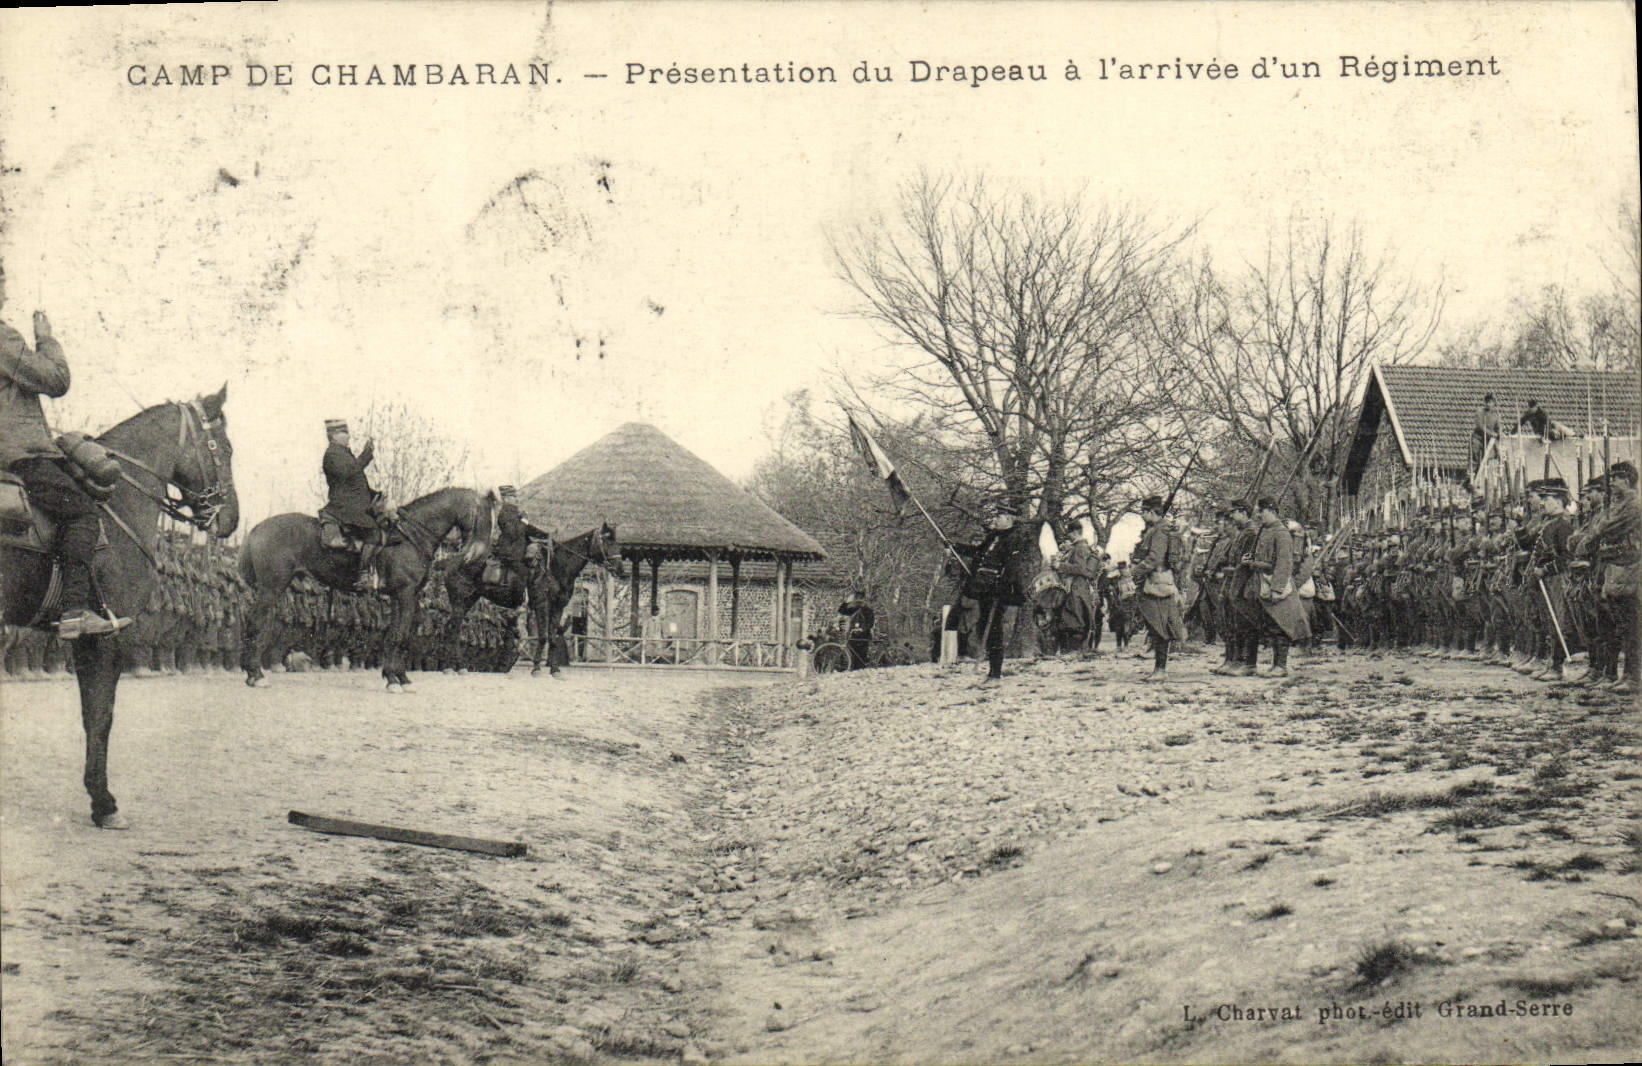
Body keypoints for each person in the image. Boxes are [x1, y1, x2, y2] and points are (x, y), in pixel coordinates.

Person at [0, 269, 131, 638]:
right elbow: (56, 380)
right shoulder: (3, 336)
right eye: (3, 285)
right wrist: (46, 339)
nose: (5, 294)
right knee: (83, 514)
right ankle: (74, 611)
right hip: (18, 454)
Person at [319, 419, 392, 589]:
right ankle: (363, 574)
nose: (348, 436)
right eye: (344, 433)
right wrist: (366, 454)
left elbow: (357, 481)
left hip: (353, 505)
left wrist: (375, 495)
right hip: (343, 506)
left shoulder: (343, 453)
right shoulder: (332, 454)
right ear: (333, 436)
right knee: (373, 532)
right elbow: (350, 473)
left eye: (347, 432)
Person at [1126, 495, 1188, 681]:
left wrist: (1134, 572)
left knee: (1159, 626)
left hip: (1157, 582)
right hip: (1155, 581)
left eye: (1144, 512)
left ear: (1151, 512)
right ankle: (1159, 668)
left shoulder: (1160, 531)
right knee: (1156, 626)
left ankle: (1161, 670)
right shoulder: (1158, 529)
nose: (1143, 517)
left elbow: (1155, 559)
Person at [973, 504, 1026, 684]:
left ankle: (995, 673)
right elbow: (977, 552)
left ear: (1009, 520)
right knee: (983, 626)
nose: (995, 520)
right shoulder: (993, 537)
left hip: (1000, 591)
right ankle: (990, 670)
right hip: (985, 588)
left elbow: (1012, 568)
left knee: (994, 629)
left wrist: (1001, 588)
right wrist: (954, 546)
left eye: (999, 517)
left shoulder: (1013, 539)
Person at [838, 587, 875, 670]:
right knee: (852, 655)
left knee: (861, 656)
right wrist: (847, 601)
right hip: (853, 635)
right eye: (857, 597)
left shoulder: (868, 609)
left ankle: (861, 671)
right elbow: (841, 610)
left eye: (860, 598)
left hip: (864, 635)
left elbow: (870, 622)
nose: (859, 600)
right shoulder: (853, 609)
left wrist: (863, 629)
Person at [1471, 392, 1501, 468]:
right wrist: (1490, 433)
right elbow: (1480, 426)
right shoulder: (1480, 412)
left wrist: (1499, 433)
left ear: (1494, 403)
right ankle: (1472, 470)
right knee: (1475, 451)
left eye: (1490, 402)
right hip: (1478, 438)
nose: (1488, 404)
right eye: (1487, 402)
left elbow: (1498, 427)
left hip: (1488, 440)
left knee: (1495, 453)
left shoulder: (1495, 415)